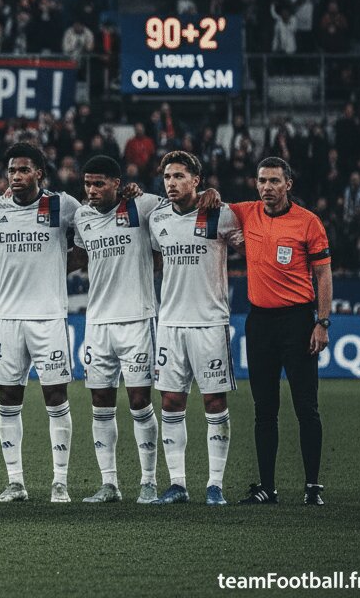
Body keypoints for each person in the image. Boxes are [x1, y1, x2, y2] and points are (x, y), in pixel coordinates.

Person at [0, 142, 84, 503]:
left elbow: (89, 240)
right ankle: (15, 483)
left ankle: (60, 482)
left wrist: (56, 267)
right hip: (7, 318)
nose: (16, 176)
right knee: (8, 397)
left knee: (55, 396)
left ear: (39, 173)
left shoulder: (63, 205)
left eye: (24, 169)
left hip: (49, 317)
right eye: (12, 170)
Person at [231, 158, 332, 506]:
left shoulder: (308, 222)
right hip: (259, 322)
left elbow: (323, 275)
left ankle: (312, 487)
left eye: (274, 181)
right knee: (264, 409)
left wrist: (322, 322)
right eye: (262, 181)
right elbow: (209, 202)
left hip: (297, 322)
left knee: (306, 407)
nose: (267, 187)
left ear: (288, 184)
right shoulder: (246, 213)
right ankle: (267, 488)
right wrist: (210, 193)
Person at [148, 151, 243, 506]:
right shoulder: (157, 218)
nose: (171, 183)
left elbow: (249, 245)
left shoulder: (221, 213)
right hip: (170, 323)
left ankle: (215, 485)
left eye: (178, 176)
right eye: (167, 177)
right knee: (171, 401)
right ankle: (177, 484)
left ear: (196, 180)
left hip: (210, 322)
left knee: (214, 401)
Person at [73, 155, 164, 504]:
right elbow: (80, 256)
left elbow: (180, 210)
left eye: (99, 184)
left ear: (117, 183)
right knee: (100, 402)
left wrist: (208, 194)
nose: (92, 190)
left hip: (137, 319)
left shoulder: (143, 205)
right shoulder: (82, 217)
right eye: (87, 184)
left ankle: (148, 482)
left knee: (140, 401)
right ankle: (109, 483)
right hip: (97, 323)